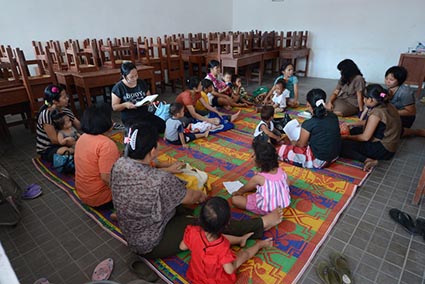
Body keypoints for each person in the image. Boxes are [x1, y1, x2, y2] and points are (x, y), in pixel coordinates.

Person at [110, 124, 284, 259]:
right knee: (209, 222)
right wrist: (204, 197)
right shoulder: (161, 180)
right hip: (150, 242)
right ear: (153, 150)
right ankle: (260, 224)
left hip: (131, 229)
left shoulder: (119, 164)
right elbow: (192, 196)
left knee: (184, 208)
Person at [179, 197, 273, 283]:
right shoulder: (222, 248)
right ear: (227, 223)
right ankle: (260, 244)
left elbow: (182, 247)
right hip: (215, 281)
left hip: (196, 275)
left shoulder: (192, 231)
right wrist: (235, 261)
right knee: (244, 254)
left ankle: (241, 239)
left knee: (214, 238)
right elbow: (229, 270)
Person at [340, 84, 402, 171]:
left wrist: (345, 137)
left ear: (371, 99)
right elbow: (373, 123)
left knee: (342, 145)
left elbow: (365, 138)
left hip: (384, 149)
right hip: (390, 143)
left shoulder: (377, 112)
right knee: (354, 130)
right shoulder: (387, 104)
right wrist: (351, 124)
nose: (363, 100)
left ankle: (367, 160)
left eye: (365, 98)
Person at [278, 89, 341, 169]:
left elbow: (301, 144)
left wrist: (293, 142)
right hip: (335, 155)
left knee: (282, 150)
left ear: (308, 104)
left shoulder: (309, 123)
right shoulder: (333, 116)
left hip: (320, 160)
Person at [74, 103, 120, 209]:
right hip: (101, 199)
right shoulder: (107, 145)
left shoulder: (82, 137)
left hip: (84, 193)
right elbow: (106, 178)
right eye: (110, 118)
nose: (112, 122)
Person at [232, 141, 290, 215]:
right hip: (282, 205)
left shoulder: (258, 178)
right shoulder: (280, 171)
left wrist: (237, 192)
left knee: (235, 200)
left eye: (254, 155)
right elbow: (288, 182)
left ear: (260, 162)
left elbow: (244, 189)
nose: (251, 155)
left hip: (266, 209)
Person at [111, 62, 165, 133]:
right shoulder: (118, 87)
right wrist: (125, 105)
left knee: (162, 125)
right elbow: (114, 107)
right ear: (124, 76)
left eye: (136, 75)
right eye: (131, 77)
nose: (135, 78)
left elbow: (148, 96)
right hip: (130, 116)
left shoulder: (141, 83)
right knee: (143, 132)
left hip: (144, 113)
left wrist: (150, 102)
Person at [36, 84, 80, 162]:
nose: (67, 99)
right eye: (64, 97)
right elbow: (55, 140)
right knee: (64, 151)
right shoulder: (46, 115)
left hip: (69, 141)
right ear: (55, 101)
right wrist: (71, 142)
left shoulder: (65, 111)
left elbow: (79, 125)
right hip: (51, 147)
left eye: (67, 96)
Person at [385, 66, 425, 137]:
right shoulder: (387, 89)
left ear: (399, 81)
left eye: (391, 79)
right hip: (392, 113)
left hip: (405, 118)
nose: (387, 81)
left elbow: (411, 112)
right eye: (386, 78)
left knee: (391, 133)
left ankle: (416, 132)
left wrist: (389, 112)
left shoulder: (405, 93)